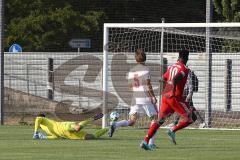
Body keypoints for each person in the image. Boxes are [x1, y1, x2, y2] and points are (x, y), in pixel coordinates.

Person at [140, 49, 196, 150]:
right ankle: (172, 130)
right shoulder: (184, 69)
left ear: (179, 57)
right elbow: (175, 80)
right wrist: (173, 92)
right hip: (174, 98)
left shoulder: (172, 67)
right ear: (186, 58)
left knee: (159, 121)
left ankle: (145, 141)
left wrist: (167, 89)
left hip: (166, 97)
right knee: (191, 118)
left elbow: (162, 79)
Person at [108, 49, 158, 148]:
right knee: (155, 120)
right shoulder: (146, 69)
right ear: (145, 58)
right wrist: (153, 96)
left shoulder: (131, 70)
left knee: (131, 121)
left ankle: (115, 125)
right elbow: (147, 85)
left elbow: (130, 86)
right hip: (144, 97)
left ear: (136, 59)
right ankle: (151, 144)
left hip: (135, 97)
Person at [33, 113, 108, 140]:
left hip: (64, 126)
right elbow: (56, 137)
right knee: (92, 137)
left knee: (78, 128)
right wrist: (43, 137)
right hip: (67, 135)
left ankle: (92, 118)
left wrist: (35, 132)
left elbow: (38, 119)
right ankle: (108, 128)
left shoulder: (42, 119)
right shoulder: (45, 128)